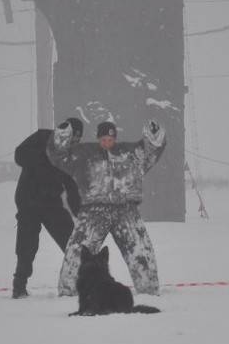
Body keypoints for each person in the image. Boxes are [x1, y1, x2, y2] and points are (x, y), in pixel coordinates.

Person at [47, 117, 166, 296]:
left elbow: (151, 151)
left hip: (126, 210)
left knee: (140, 251)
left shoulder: (130, 153)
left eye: (110, 140)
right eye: (103, 139)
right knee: (78, 251)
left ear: (115, 139)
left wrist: (154, 133)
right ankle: (68, 291)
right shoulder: (83, 154)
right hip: (93, 211)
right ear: (98, 138)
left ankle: (149, 290)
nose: (107, 143)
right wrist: (62, 135)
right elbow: (59, 155)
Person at [12, 117, 83, 299]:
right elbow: (19, 155)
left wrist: (80, 212)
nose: (75, 142)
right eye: (74, 137)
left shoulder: (69, 155)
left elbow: (71, 185)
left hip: (52, 204)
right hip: (28, 200)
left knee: (71, 241)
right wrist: (46, 158)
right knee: (27, 246)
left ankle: (83, 280)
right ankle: (19, 286)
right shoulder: (43, 137)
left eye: (78, 140)